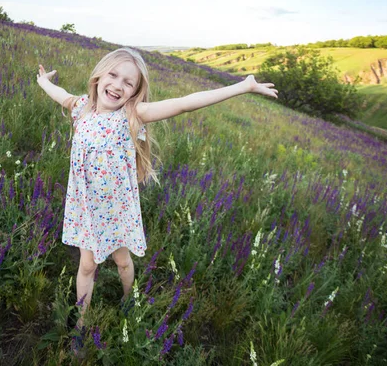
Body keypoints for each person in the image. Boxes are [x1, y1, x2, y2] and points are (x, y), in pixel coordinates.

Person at [36, 47, 277, 355]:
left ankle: (128, 300)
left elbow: (184, 104)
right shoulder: (80, 106)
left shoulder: (132, 114)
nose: (118, 85)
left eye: (129, 82)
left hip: (115, 210)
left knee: (122, 260)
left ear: (136, 92)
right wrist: (44, 81)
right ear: (99, 76)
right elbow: (60, 93)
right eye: (113, 75)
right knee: (86, 266)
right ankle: (81, 328)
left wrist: (244, 86)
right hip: (85, 208)